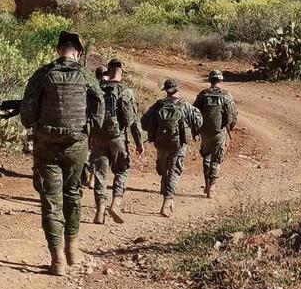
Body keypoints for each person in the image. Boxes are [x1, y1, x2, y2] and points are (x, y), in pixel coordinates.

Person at [17, 30, 103, 275]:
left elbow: (27, 114)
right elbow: (99, 109)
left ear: (58, 50)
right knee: (73, 193)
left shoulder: (43, 74)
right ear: (79, 53)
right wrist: (87, 132)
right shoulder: (86, 75)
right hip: (76, 145)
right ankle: (73, 250)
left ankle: (57, 262)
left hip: (46, 144)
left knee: (50, 200)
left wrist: (36, 125)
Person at [89, 58, 143, 224]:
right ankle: (116, 204)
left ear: (108, 71)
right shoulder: (126, 92)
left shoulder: (96, 89)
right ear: (123, 74)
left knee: (99, 174)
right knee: (122, 170)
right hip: (117, 137)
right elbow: (132, 121)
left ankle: (100, 210)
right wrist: (139, 142)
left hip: (98, 137)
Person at [139, 78, 202, 218]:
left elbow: (144, 122)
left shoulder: (158, 105)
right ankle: (167, 202)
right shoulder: (186, 106)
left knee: (164, 168)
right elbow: (198, 122)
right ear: (178, 89)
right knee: (174, 170)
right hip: (178, 145)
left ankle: (164, 182)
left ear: (166, 90)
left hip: (161, 144)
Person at [193, 70, 239, 198]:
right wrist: (228, 127)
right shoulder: (226, 96)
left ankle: (206, 184)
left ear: (210, 80)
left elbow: (195, 112)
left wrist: (197, 130)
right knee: (216, 160)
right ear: (221, 80)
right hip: (219, 131)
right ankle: (212, 187)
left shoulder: (203, 94)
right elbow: (232, 115)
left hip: (204, 131)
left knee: (206, 157)